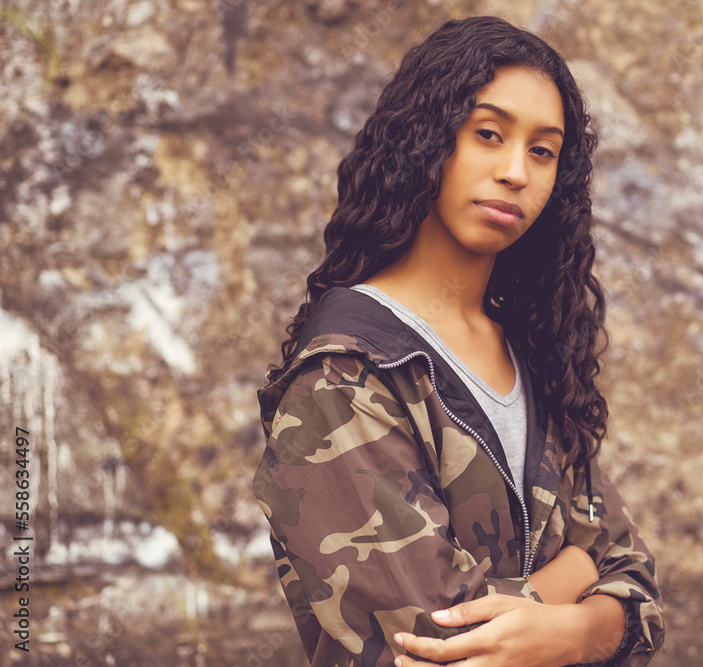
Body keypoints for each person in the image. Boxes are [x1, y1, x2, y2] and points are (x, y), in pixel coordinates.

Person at [253, 15, 664, 666]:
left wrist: (572, 633)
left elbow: (636, 578)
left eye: (542, 150)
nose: (514, 171)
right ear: (427, 140)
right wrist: (576, 575)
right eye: (489, 134)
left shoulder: (533, 349)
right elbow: (439, 639)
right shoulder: (345, 370)